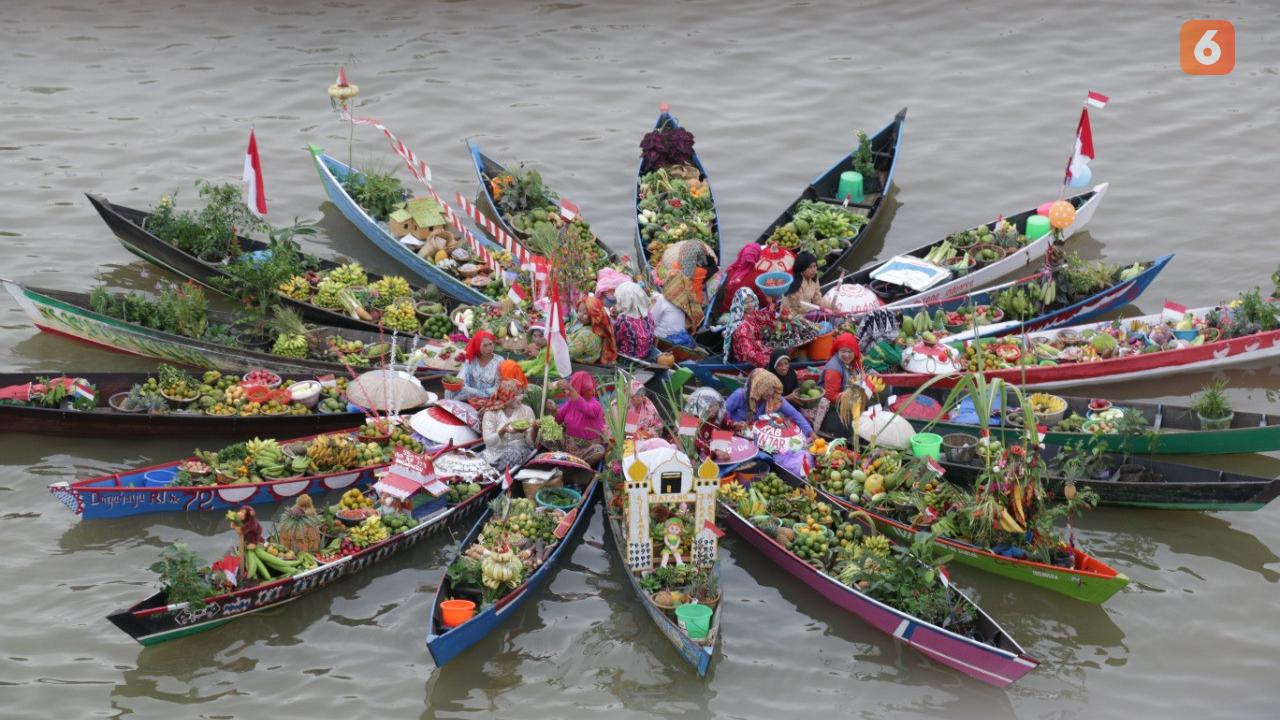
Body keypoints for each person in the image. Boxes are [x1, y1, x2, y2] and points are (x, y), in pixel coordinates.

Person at [723, 369, 814, 439]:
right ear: (758, 387)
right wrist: (734, 424)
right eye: (766, 388)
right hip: (735, 435)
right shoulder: (739, 395)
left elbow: (794, 414)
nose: (770, 392)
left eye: (772, 388)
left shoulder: (773, 399)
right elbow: (721, 415)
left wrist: (811, 433)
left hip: (757, 437)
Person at [480, 379, 537, 472]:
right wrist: (502, 432)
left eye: (522, 394)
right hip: (494, 452)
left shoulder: (527, 411)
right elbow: (488, 442)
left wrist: (535, 429)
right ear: (506, 396)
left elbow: (530, 443)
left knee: (512, 455)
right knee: (475, 460)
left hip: (518, 450)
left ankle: (492, 473)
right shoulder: (491, 413)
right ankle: (488, 471)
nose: (521, 397)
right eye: (517, 395)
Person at [551, 371, 607, 464]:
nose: (590, 391)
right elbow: (558, 419)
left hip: (587, 449)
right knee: (544, 430)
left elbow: (584, 407)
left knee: (599, 451)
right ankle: (566, 458)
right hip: (568, 446)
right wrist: (553, 409)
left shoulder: (595, 404)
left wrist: (570, 389)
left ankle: (579, 463)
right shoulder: (571, 402)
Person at [819, 332, 868, 437]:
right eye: (843, 351)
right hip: (834, 412)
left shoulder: (852, 362)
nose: (846, 355)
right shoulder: (834, 369)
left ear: (855, 351)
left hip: (847, 402)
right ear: (838, 351)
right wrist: (853, 393)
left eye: (850, 351)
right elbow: (830, 396)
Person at [450, 330, 504, 404]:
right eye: (485, 345)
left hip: (488, 400)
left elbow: (498, 387)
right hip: (468, 398)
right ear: (478, 346)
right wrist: (457, 383)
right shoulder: (472, 359)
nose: (489, 348)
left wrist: (474, 391)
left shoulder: (499, 361)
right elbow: (462, 376)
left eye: (490, 344)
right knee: (449, 391)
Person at [723, 287, 773, 365]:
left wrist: (772, 302)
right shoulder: (741, 326)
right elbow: (749, 353)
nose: (750, 305)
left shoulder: (755, 314)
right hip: (747, 358)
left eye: (751, 301)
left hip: (759, 348)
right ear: (739, 304)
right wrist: (769, 361)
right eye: (745, 303)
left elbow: (768, 318)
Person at [780, 251, 833, 317]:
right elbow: (800, 306)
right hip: (792, 315)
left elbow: (817, 298)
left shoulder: (814, 278)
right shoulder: (796, 283)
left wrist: (831, 306)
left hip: (807, 311)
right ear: (802, 268)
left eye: (815, 266)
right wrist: (821, 309)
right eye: (810, 267)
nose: (814, 270)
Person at [612, 282, 656, 359]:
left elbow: (614, 341)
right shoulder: (647, 314)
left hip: (628, 360)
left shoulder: (623, 320)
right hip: (646, 355)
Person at [717, 244, 765, 313]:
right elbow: (762, 300)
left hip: (725, 309)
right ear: (757, 257)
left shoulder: (732, 269)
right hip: (739, 314)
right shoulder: (756, 277)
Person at [683, 386, 726, 455]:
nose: (714, 408)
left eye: (716, 405)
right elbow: (691, 438)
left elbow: (727, 423)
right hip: (691, 453)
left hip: (712, 449)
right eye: (710, 406)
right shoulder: (691, 416)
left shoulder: (717, 414)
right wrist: (711, 449)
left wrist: (737, 425)